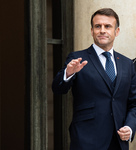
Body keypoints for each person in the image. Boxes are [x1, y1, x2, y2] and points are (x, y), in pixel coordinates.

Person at [52, 8, 136, 150]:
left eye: (107, 26)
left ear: (117, 31)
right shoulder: (77, 58)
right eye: (98, 26)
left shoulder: (127, 64)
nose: (102, 30)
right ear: (92, 31)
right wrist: (68, 73)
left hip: (118, 141)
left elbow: (134, 103)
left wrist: (130, 126)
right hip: (86, 140)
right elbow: (58, 89)